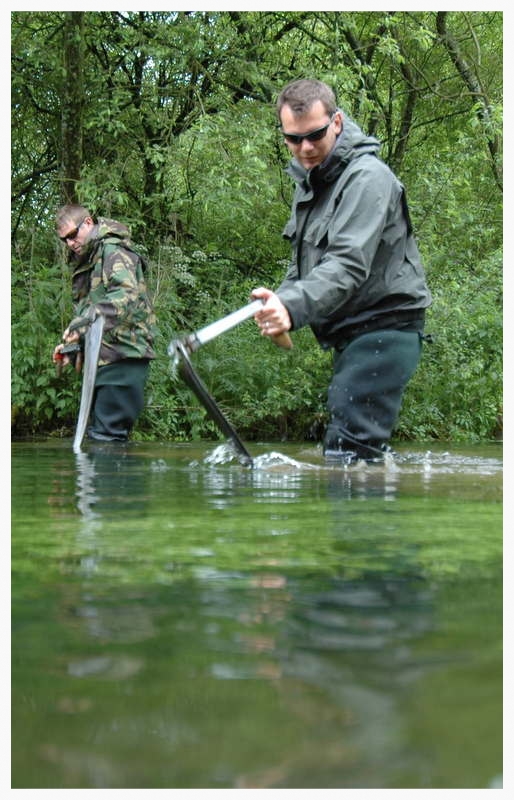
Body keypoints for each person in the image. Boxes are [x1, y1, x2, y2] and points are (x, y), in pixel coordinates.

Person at [253, 78, 432, 462]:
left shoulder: (368, 178)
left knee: (348, 452)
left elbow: (348, 265)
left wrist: (294, 307)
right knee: (348, 452)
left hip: (386, 328)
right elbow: (303, 267)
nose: (304, 148)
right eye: (292, 139)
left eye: (314, 135)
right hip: (353, 334)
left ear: (337, 121)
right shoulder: (311, 185)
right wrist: (278, 304)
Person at [53, 205, 157, 442]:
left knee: (107, 441)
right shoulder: (89, 259)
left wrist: (82, 323)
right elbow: (94, 313)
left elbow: (126, 296)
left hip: (123, 359)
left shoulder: (114, 252)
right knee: (101, 440)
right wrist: (75, 346)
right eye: (64, 240)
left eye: (72, 235)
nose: (70, 243)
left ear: (88, 223)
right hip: (103, 361)